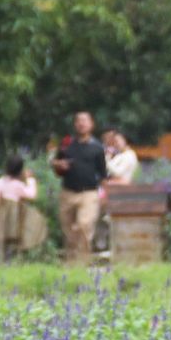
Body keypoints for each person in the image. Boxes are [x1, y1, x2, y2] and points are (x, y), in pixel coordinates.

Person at [51, 111, 107, 264]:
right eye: (79, 121)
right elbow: (54, 162)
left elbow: (103, 174)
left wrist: (104, 194)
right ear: (75, 124)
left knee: (84, 226)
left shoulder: (97, 147)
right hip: (68, 192)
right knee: (68, 230)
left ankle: (82, 262)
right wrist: (59, 164)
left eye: (85, 121)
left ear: (91, 124)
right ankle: (71, 263)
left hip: (89, 193)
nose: (82, 123)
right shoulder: (67, 144)